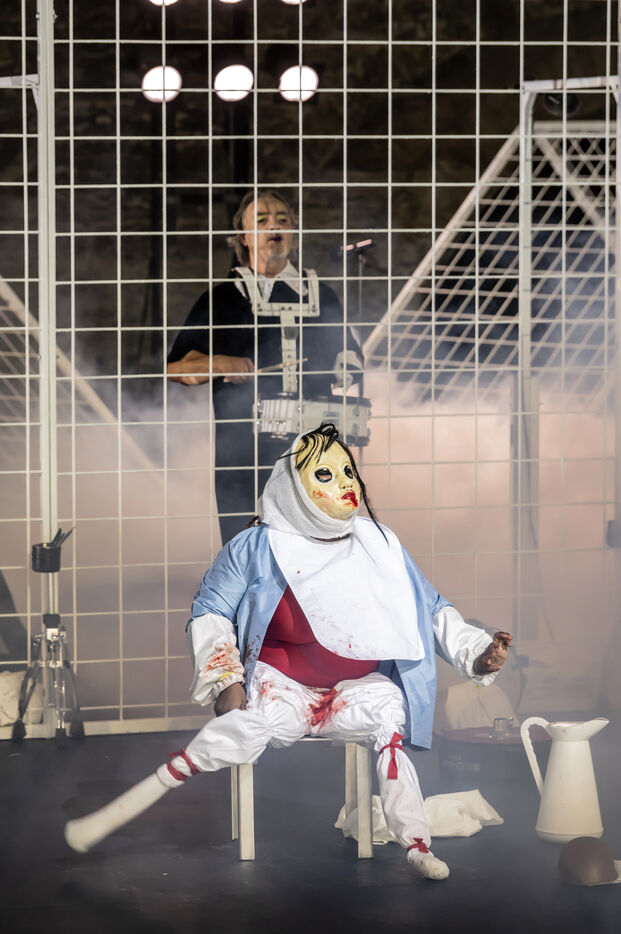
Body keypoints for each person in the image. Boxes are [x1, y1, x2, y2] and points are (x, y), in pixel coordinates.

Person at [65, 423, 512, 880]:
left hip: (357, 689)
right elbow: (211, 610)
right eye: (325, 475)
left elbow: (429, 608)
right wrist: (226, 680)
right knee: (249, 727)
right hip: (281, 687)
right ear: (294, 488)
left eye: (348, 471)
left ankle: (416, 844)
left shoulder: (381, 545)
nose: (346, 483)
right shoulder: (256, 546)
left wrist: (476, 652)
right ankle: (177, 772)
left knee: (388, 727)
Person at [167, 190, 363, 544]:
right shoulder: (222, 299)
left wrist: (341, 368)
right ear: (243, 238)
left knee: (319, 549)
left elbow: (350, 356)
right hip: (243, 456)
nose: (274, 226)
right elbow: (177, 369)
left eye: (282, 220)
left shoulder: (321, 296)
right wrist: (219, 362)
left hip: (313, 450)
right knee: (248, 547)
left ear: (294, 233)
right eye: (261, 221)